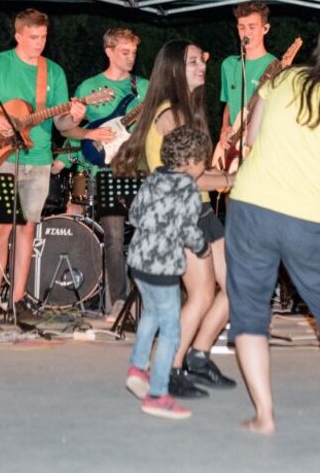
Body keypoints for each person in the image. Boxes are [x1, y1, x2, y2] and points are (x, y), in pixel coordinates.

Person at [226, 22, 320, 434]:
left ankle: (265, 415)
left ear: (319, 50)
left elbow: (254, 137)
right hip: (310, 217)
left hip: (253, 206)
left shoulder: (285, 78)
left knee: (251, 313)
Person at [112, 39, 236, 399]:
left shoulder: (186, 111)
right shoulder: (170, 114)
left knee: (237, 288)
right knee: (200, 295)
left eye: (202, 59)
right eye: (193, 61)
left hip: (201, 209)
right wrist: (235, 179)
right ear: (173, 70)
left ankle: (197, 355)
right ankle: (170, 366)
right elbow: (192, 177)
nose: (202, 66)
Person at [0, 8, 85, 316]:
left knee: (27, 229)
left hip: (38, 158)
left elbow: (62, 125)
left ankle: (18, 299)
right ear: (19, 35)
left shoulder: (53, 72)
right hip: (0, 157)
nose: (39, 43)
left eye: (44, 37)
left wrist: (75, 115)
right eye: (33, 37)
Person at [124, 126, 211, 420]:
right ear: (191, 162)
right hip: (163, 267)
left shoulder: (153, 179)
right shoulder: (188, 189)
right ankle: (158, 394)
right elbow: (188, 230)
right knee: (171, 332)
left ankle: (138, 367)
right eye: (203, 161)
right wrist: (203, 248)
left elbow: (134, 215)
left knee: (150, 313)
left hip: (138, 262)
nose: (205, 167)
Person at [62, 28, 149, 316]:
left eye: (134, 52)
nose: (131, 57)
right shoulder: (90, 86)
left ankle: (147, 297)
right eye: (125, 52)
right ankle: (119, 301)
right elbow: (70, 128)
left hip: (139, 168)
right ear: (109, 52)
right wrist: (88, 135)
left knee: (146, 235)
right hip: (104, 172)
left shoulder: (145, 87)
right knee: (113, 238)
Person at [218, 0, 276, 152]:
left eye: (252, 27)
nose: (246, 33)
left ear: (265, 28)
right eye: (242, 27)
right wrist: (225, 128)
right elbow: (229, 103)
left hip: (259, 145)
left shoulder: (275, 66)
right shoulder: (228, 65)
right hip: (231, 145)